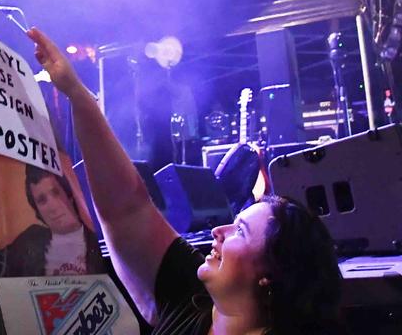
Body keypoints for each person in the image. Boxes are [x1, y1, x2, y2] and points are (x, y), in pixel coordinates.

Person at [26, 27, 343, 335]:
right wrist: (77, 94)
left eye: (240, 231)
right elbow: (127, 208)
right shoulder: (191, 297)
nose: (219, 231)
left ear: (270, 274)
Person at [0, 165, 104, 276]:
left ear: (70, 194)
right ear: (37, 210)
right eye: (42, 200)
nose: (53, 207)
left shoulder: (103, 244)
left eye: (56, 193)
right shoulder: (27, 242)